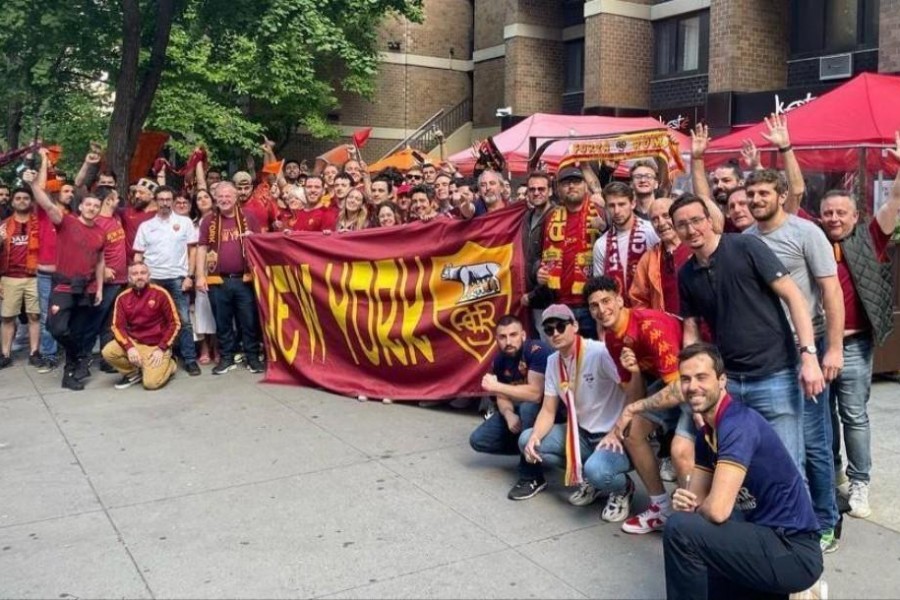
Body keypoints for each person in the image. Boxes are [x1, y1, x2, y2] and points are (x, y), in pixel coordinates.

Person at [672, 194, 824, 470]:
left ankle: (801, 515)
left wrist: (809, 356)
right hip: (729, 381)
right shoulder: (686, 275)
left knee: (788, 466)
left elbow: (794, 297)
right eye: (681, 224)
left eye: (696, 220)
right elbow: (691, 330)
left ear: (710, 220)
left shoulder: (746, 246)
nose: (691, 229)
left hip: (774, 375)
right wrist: (695, 384)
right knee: (744, 466)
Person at [664, 343, 824, 600]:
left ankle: (794, 588)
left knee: (680, 530)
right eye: (685, 379)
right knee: (700, 561)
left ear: (722, 380)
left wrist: (698, 507)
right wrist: (686, 500)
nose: (692, 386)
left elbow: (715, 511)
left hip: (793, 550)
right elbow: (695, 503)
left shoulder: (738, 423)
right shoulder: (706, 433)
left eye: (702, 377)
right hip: (763, 539)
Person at [744, 168, 843, 552]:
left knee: (815, 441)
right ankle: (787, 514)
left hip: (809, 349)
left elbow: (830, 292)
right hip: (769, 353)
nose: (755, 200)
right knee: (780, 442)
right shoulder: (747, 240)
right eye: (751, 193)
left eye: (763, 193)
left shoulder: (807, 233)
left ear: (782, 195)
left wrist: (830, 350)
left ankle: (824, 520)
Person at [820, 132, 900, 520]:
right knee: (823, 415)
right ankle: (832, 473)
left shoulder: (870, 239)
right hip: (817, 346)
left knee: (853, 414)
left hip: (854, 346)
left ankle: (860, 481)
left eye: (841, 213)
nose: (834, 218)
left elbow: (896, 201)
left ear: (854, 216)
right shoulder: (813, 242)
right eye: (828, 213)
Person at [584, 276, 688, 534]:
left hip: (693, 383)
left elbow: (679, 391)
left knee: (681, 449)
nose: (601, 309)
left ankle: (693, 523)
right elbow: (635, 392)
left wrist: (631, 410)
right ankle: (660, 508)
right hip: (669, 384)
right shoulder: (612, 339)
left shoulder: (649, 325)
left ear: (620, 300)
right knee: (633, 433)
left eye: (606, 301)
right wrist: (636, 372)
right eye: (594, 305)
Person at [519, 304, 633, 522]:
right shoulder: (553, 361)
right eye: (549, 330)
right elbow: (548, 409)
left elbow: (632, 392)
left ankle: (622, 488)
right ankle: (590, 476)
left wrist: (618, 429)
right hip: (579, 433)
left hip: (614, 435)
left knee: (597, 471)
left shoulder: (599, 352)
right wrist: (535, 436)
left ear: (576, 326)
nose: (555, 333)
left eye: (561, 326)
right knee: (527, 441)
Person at [24, 165, 106, 391]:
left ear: (100, 209)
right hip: (63, 285)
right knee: (56, 328)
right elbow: (47, 203)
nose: (92, 208)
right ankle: (81, 356)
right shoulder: (66, 222)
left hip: (87, 288)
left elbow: (100, 261)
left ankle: (70, 374)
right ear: (80, 207)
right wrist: (32, 184)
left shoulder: (101, 232)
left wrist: (99, 288)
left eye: (96, 206)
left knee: (78, 330)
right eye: (88, 204)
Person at [470, 315, 556, 500]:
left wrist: (496, 386)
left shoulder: (537, 350)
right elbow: (501, 396)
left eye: (513, 335)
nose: (508, 341)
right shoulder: (500, 359)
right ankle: (534, 451)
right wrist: (509, 415)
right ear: (497, 339)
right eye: (502, 337)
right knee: (479, 440)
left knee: (527, 408)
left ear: (523, 335)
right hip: (523, 411)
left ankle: (532, 476)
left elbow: (535, 393)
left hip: (553, 412)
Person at [196, 182, 264, 375]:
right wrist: (200, 276)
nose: (224, 199)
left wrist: (253, 238)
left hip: (245, 279)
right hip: (218, 280)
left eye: (228, 196)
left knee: (249, 321)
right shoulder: (209, 220)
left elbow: (261, 244)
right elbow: (202, 248)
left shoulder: (249, 217)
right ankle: (226, 357)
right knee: (222, 321)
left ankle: (252, 357)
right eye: (220, 196)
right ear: (215, 199)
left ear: (235, 198)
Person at [133, 185, 202, 376]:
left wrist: (190, 275)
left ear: (172, 201)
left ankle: (189, 359)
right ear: (156, 201)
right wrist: (137, 278)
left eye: (168, 199)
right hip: (153, 279)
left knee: (184, 320)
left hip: (178, 277)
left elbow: (193, 250)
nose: (165, 203)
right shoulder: (146, 226)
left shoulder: (185, 222)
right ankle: (159, 358)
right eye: (161, 199)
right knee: (154, 321)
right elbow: (138, 254)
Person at [537, 167, 605, 338]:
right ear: (558, 190)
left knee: (592, 358)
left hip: (591, 304)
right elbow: (537, 256)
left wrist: (604, 228)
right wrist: (538, 271)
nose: (571, 186)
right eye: (566, 183)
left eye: (576, 182)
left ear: (585, 186)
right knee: (564, 359)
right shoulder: (550, 217)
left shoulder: (600, 212)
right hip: (558, 304)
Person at [102, 262, 181, 390]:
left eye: (143, 273)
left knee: (151, 383)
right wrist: (129, 347)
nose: (139, 277)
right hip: (135, 344)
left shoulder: (161, 294)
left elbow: (175, 323)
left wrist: (162, 348)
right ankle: (133, 373)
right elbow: (117, 327)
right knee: (108, 352)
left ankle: (171, 364)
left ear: (149, 276)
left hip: (156, 346)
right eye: (135, 274)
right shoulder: (123, 298)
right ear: (129, 278)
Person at [592, 181, 659, 305]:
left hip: (651, 310)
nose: (617, 211)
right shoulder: (600, 244)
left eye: (622, 204)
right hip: (618, 315)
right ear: (605, 208)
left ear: (633, 204)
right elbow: (600, 289)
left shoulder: (652, 232)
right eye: (611, 206)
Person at [0, 187, 42, 367]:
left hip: (34, 276)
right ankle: (5, 354)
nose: (22, 201)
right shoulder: (4, 225)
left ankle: (34, 352)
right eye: (18, 198)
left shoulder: (39, 224)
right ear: (13, 202)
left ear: (31, 202)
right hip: (10, 277)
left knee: (34, 316)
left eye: (26, 198)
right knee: (8, 317)